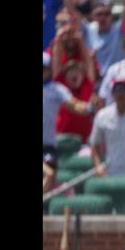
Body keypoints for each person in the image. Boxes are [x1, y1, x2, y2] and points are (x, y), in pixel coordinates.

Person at [43, 52, 92, 192]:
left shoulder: (56, 89)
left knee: (50, 176)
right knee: (49, 174)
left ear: (48, 69)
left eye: (43, 68)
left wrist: (90, 107)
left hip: (48, 147)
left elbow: (75, 105)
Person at [89, 79, 125, 179]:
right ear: (112, 94)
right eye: (117, 90)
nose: (120, 94)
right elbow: (95, 144)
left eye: (124, 90)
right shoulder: (102, 115)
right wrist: (98, 167)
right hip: (112, 175)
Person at [55, 60, 96, 143]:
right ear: (65, 77)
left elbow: (88, 62)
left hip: (84, 141)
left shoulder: (88, 87)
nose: (74, 73)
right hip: (63, 140)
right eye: (70, 71)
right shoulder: (60, 89)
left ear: (83, 75)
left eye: (77, 70)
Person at [86, 0, 125, 78]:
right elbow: (73, 13)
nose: (103, 17)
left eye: (107, 14)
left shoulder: (118, 28)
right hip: (97, 80)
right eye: (99, 14)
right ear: (93, 16)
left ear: (111, 16)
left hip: (118, 79)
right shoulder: (89, 29)